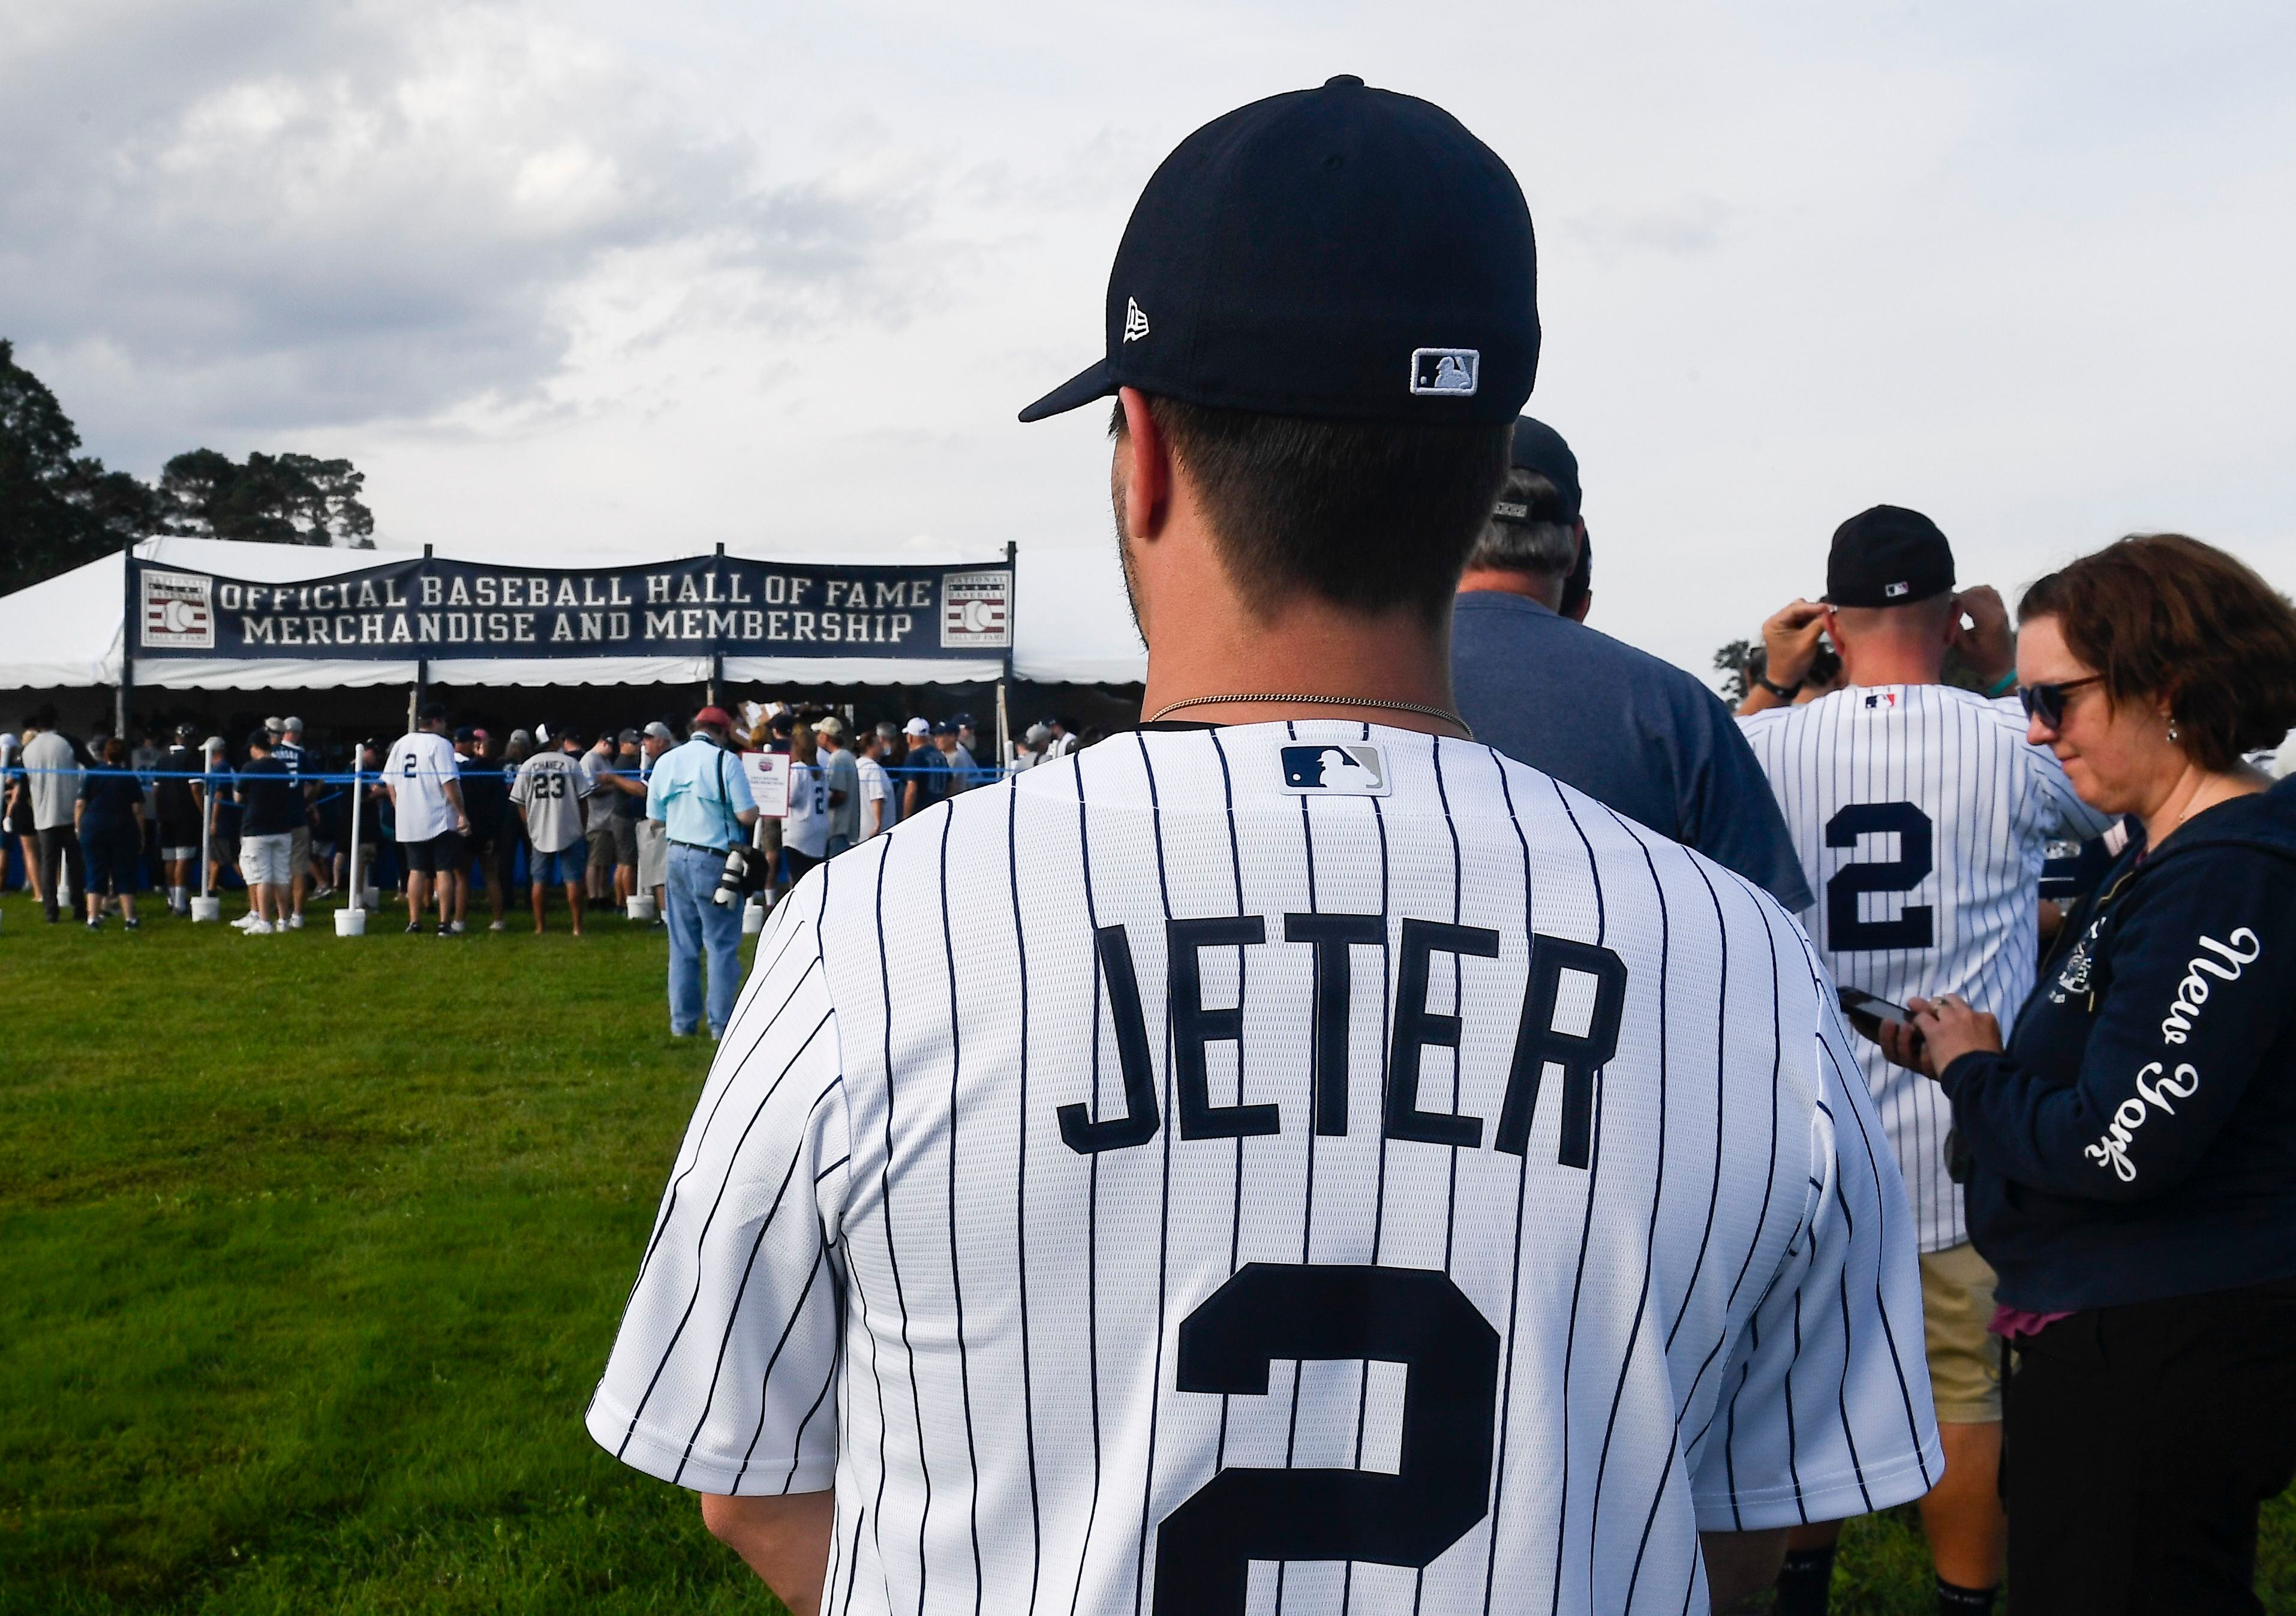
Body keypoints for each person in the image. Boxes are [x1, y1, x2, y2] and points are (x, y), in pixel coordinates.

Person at [588, 76, 1936, 1616]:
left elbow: (745, 1472)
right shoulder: (1744, 967)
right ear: (1482, 486)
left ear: (1142, 450)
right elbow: (1746, 1526)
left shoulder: (878, 927)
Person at [1875, 534, 2296, 1614]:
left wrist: (1972, 1071)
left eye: (2055, 699)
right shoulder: (2157, 849)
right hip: (2112, 1334)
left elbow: (2117, 1143)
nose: (2031, 727)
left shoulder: (2226, 875)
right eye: (2023, 694)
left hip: (2154, 1349)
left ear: (2168, 690)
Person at [1733, 505, 2113, 1616]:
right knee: (1962, 1392)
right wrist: (2000, 675)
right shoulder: (2006, 733)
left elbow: (1694, 812)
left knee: (1809, 1386)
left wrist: (1769, 675)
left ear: (1830, 623)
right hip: (1963, 1126)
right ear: (1951, 616)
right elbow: (2100, 815)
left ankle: (1800, 1589)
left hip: (1812, 1123)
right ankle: (1960, 1602)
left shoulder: (1765, 738)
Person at [1450, 416, 1813, 911]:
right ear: (1575, 543)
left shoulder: (1353, 686)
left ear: (1440, 531)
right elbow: (1774, 939)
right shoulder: (1675, 707)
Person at [642, 704, 756, 1039]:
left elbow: (655, 819)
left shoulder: (667, 761)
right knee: (721, 944)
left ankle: (682, 1024)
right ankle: (721, 1026)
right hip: (716, 858)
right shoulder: (726, 762)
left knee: (682, 945)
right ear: (721, 733)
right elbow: (747, 815)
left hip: (676, 855)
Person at [383, 702, 470, 938]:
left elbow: (389, 780)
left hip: (410, 816)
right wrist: (461, 812)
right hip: (438, 814)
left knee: (416, 870)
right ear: (436, 722)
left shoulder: (402, 743)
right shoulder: (441, 745)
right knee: (444, 870)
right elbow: (449, 782)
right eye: (443, 721)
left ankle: (415, 921)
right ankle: (443, 923)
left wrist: (398, 804)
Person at [513, 727, 593, 936]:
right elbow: (583, 800)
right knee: (573, 879)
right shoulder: (571, 763)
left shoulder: (528, 765)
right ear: (555, 740)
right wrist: (582, 825)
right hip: (569, 827)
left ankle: (540, 927)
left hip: (540, 828)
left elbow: (519, 803)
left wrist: (529, 826)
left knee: (539, 880)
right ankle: (577, 927)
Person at [233, 729, 300, 933]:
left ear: (255, 748)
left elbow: (238, 797)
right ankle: (283, 920)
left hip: (256, 828)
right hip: (282, 827)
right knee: (281, 876)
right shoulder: (281, 767)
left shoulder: (249, 768)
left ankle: (264, 921)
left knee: (261, 875)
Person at [74, 736, 146, 929]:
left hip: (94, 826)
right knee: (124, 872)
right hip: (122, 825)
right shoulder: (129, 777)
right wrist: (141, 834)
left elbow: (81, 803)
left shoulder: (92, 774)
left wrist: (78, 826)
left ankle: (93, 918)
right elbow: (138, 809)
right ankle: (130, 918)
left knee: (95, 871)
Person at [22, 708, 85, 923]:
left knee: (49, 866)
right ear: (57, 721)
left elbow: (22, 783)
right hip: (70, 813)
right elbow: (91, 766)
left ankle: (51, 912)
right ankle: (79, 908)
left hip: (42, 815)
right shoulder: (68, 742)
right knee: (76, 864)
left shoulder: (28, 750)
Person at [456, 727, 509, 931]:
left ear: (480, 749)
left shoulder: (466, 770)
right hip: (490, 831)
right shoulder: (497, 774)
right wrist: (495, 835)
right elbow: (501, 807)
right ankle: (499, 919)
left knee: (463, 878)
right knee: (492, 877)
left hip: (469, 828)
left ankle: (459, 921)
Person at [152, 723, 203, 916]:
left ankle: (172, 898)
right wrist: (203, 812)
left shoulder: (162, 759)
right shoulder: (191, 758)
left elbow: (156, 790)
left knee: (170, 858)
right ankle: (180, 903)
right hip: (185, 814)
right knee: (183, 857)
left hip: (165, 814)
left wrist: (159, 812)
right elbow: (195, 789)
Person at [779, 722, 828, 884]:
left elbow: (789, 798)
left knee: (798, 881)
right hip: (819, 829)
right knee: (814, 882)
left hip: (799, 831)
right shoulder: (821, 771)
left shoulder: (798, 769)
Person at [813, 716, 858, 856]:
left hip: (838, 828)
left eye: (819, 733)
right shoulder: (848, 756)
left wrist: (819, 804)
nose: (817, 737)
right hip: (846, 828)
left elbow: (840, 794)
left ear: (826, 737)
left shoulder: (837, 759)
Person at [898, 714, 950, 819]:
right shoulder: (940, 755)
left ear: (910, 737)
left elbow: (912, 788)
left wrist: (906, 818)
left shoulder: (914, 756)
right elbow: (951, 784)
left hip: (919, 815)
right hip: (937, 812)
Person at [852, 725, 893, 840]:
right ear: (870, 747)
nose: (882, 747)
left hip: (858, 830)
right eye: (879, 744)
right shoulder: (874, 769)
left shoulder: (856, 766)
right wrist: (878, 824)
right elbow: (877, 798)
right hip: (876, 833)